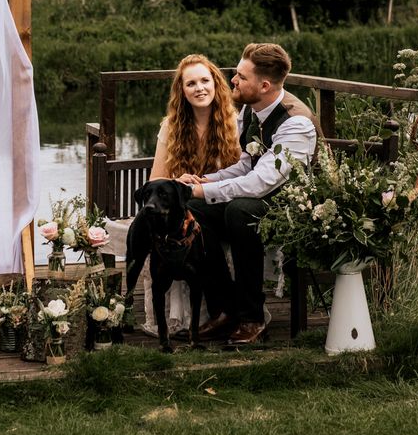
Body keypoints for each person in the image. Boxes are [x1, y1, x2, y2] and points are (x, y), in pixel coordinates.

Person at [181, 43, 320, 345]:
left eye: (241, 77)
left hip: (294, 207)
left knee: (240, 210)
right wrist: (204, 182)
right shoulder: (251, 109)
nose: (232, 81)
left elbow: (259, 183)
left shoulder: (296, 123)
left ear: (265, 85)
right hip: (261, 196)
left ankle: (252, 318)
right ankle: (224, 310)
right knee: (195, 207)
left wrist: (203, 188)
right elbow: (247, 164)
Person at [129, 54, 241, 337]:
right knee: (194, 221)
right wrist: (177, 181)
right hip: (189, 207)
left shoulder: (233, 121)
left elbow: (243, 173)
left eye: (205, 80)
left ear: (216, 84)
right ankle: (225, 311)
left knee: (199, 218)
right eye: (191, 83)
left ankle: (224, 310)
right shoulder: (172, 125)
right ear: (182, 90)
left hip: (223, 203)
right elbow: (156, 178)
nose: (199, 88)